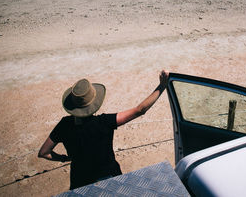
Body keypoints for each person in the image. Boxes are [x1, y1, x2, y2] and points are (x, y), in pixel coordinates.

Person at [38, 70, 169, 190]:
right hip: (108, 178)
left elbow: (44, 152)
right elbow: (140, 110)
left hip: (79, 181)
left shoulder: (64, 125)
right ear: (94, 103)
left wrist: (64, 158)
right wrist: (162, 85)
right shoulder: (104, 122)